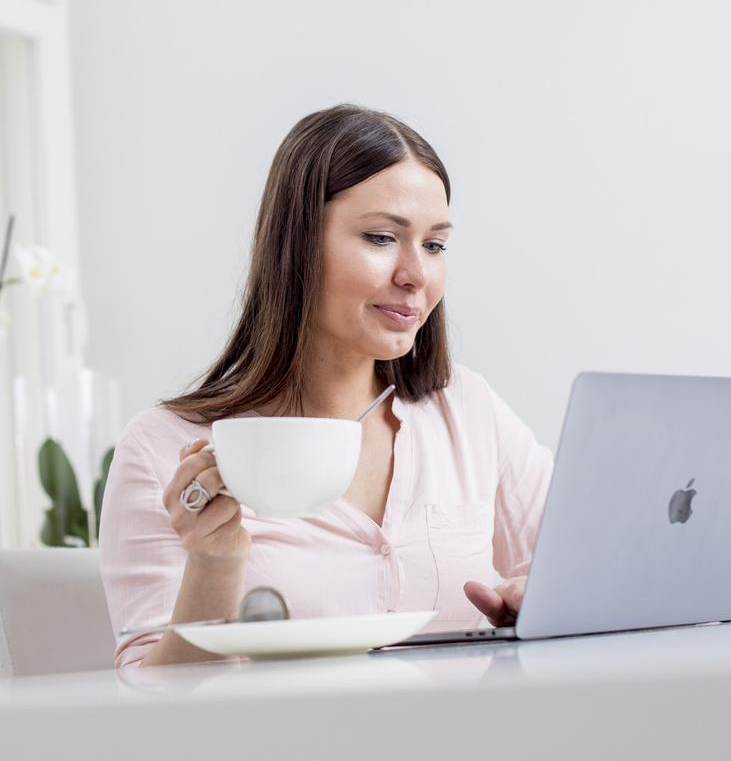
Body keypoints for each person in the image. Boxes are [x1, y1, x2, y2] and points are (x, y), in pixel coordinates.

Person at [98, 104, 553, 668]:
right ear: (297, 247)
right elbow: (150, 712)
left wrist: (538, 607)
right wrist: (213, 563)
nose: (416, 275)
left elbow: (579, 573)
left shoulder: (466, 408)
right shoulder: (165, 448)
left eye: (434, 245)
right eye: (383, 237)